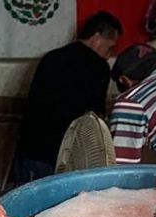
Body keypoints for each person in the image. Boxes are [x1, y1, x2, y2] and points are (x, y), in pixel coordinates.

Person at [13, 12, 122, 183]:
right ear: (97, 38)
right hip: (63, 155)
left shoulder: (50, 58)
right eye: (110, 47)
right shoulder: (98, 67)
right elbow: (95, 118)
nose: (109, 55)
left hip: (30, 147)